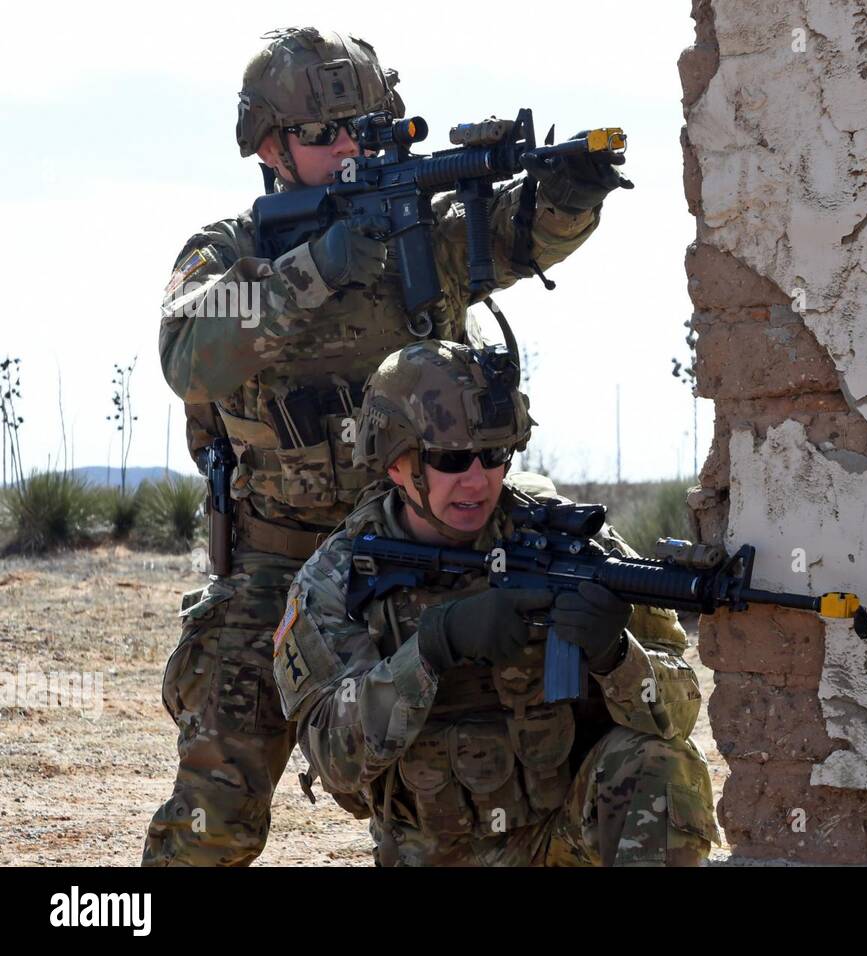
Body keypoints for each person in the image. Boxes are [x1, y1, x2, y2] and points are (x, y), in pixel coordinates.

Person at [144, 25, 625, 866]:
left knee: (502, 756)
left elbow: (516, 234)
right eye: (323, 134)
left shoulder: (421, 231)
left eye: (366, 127)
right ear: (269, 146)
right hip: (277, 561)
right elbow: (189, 355)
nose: (345, 148)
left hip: (420, 544)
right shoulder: (232, 249)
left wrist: (568, 196)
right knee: (217, 806)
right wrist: (322, 265)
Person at [271, 338, 722, 865]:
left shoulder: (569, 544)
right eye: (452, 458)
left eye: (494, 455)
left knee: (660, 764)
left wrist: (616, 657)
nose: (477, 478)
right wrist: (435, 647)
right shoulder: (338, 577)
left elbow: (680, 712)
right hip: (439, 854)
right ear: (396, 463)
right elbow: (332, 758)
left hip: (565, 835)